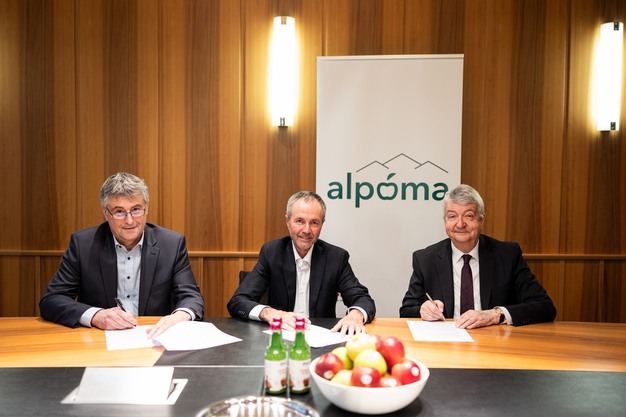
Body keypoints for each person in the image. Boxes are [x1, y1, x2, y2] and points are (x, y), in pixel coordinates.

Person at [39, 172, 204, 338]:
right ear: (106, 213)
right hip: (99, 340)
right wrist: (96, 316)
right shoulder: (83, 244)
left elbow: (191, 297)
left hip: (154, 338)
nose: (129, 220)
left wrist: (180, 315)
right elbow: (52, 299)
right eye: (119, 212)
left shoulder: (171, 244)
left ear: (146, 208)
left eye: (136, 210)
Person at [399, 184, 556, 329]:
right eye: (452, 216)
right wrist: (423, 310)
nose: (460, 224)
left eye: (468, 216)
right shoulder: (425, 259)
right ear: (445, 221)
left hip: (494, 341)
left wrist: (495, 315)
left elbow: (545, 306)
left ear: (481, 220)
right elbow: (406, 311)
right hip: (445, 342)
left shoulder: (507, 255)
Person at [227, 191, 376, 335]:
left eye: (314, 223)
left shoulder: (336, 258)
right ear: (288, 222)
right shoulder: (272, 253)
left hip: (321, 339)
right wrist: (270, 313)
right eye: (300, 221)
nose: (306, 230)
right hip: (279, 339)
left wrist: (356, 314)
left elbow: (363, 299)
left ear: (322, 224)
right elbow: (238, 301)